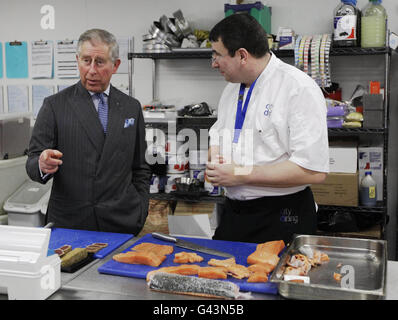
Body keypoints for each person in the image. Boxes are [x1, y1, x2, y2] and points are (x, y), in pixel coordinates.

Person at [206, 14, 329, 244]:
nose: (213, 63)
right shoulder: (231, 90)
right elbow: (218, 133)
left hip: (282, 216)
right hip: (235, 213)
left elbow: (313, 170)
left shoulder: (298, 88)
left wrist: (240, 174)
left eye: (217, 55)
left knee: (275, 280)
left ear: (242, 55)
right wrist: (216, 159)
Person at [26, 29, 151, 234]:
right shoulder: (55, 106)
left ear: (115, 65)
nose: (91, 70)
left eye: (100, 62)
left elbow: (141, 167)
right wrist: (41, 163)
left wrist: (140, 208)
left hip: (121, 220)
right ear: (78, 60)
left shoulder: (131, 107)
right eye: (86, 61)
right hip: (71, 222)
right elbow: (32, 162)